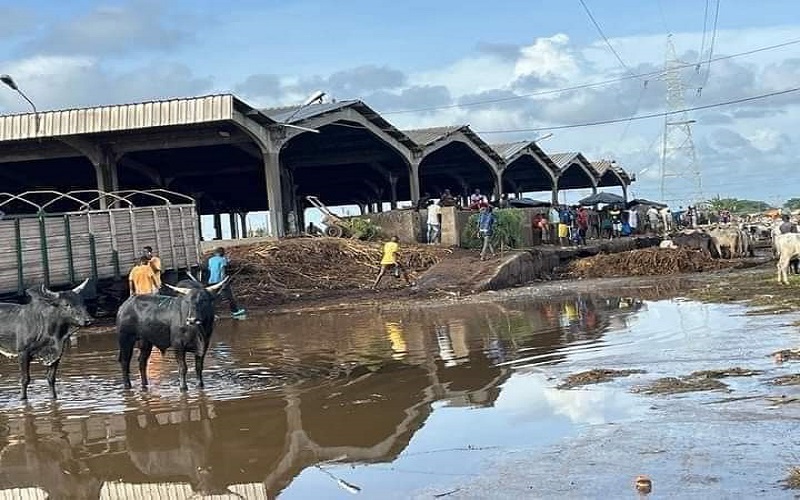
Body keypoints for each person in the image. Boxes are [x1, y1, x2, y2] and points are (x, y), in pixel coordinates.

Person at [207, 247, 246, 317]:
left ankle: (211, 313)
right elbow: (222, 271)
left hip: (211, 281)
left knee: (212, 298)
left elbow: (210, 269)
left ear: (215, 253)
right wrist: (223, 282)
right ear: (222, 253)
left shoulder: (210, 260)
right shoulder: (222, 260)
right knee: (229, 297)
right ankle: (235, 311)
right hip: (220, 281)